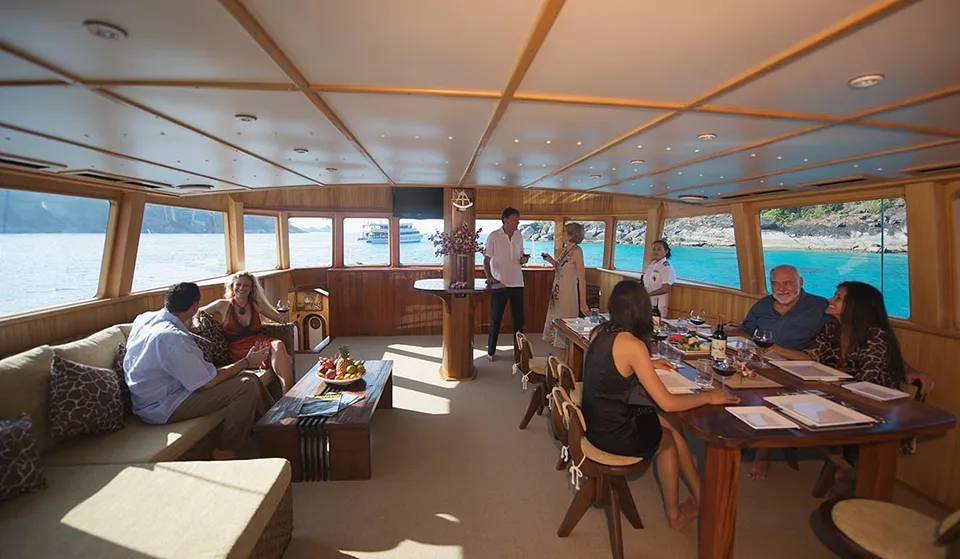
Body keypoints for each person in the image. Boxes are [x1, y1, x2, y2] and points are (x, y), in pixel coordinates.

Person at [580, 280, 739, 531]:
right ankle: (675, 515)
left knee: (669, 424)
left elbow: (611, 364)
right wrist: (709, 397)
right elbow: (668, 402)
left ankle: (701, 494)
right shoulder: (632, 345)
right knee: (667, 439)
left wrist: (648, 364)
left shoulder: (600, 332)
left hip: (594, 419)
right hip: (613, 432)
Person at [124, 283, 271, 460]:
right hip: (162, 405)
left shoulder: (144, 318)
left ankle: (274, 425)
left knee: (248, 377)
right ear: (194, 306)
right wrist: (247, 361)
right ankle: (226, 449)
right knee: (245, 385)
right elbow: (208, 382)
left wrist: (243, 366)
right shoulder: (174, 338)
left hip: (148, 396)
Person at [766, 281, 905, 388]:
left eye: (838, 298)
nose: (830, 300)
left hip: (874, 401)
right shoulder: (832, 328)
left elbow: (867, 381)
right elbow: (812, 357)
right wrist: (775, 348)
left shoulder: (875, 335)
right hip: (836, 393)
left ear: (855, 305)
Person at [198, 271, 294, 392]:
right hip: (237, 349)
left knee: (278, 345)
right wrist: (196, 322)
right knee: (285, 358)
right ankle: (288, 392)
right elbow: (197, 311)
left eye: (246, 285)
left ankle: (287, 392)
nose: (241, 288)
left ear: (252, 288)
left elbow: (279, 319)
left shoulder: (256, 305)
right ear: (232, 286)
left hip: (259, 342)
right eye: (238, 284)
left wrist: (282, 313)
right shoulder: (222, 305)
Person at [740, 264, 829, 350]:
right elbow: (746, 331)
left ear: (801, 282)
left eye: (787, 283)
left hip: (798, 360)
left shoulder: (820, 306)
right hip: (761, 356)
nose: (781, 289)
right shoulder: (762, 305)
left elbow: (827, 347)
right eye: (775, 284)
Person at [483, 207, 529, 362]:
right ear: (505, 220)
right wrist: (490, 277)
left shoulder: (519, 236)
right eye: (515, 219)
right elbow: (486, 260)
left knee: (519, 319)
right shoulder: (494, 236)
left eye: (518, 219)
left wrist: (523, 260)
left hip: (517, 282)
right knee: (496, 318)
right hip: (499, 283)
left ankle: (519, 352)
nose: (518, 222)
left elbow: (520, 257)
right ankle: (491, 351)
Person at [542, 222, 590, 363]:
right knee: (557, 328)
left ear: (571, 235)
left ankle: (568, 364)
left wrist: (583, 302)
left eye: (564, 232)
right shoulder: (566, 249)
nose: (562, 234)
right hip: (557, 293)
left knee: (565, 330)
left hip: (568, 295)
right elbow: (559, 267)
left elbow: (582, 279)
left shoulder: (577, 252)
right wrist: (550, 260)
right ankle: (565, 363)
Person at [643, 239, 675, 313]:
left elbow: (665, 289)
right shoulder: (651, 265)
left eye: (659, 249)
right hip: (647, 302)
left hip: (658, 305)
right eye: (654, 249)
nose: (655, 251)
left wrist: (648, 295)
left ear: (666, 251)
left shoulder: (666, 267)